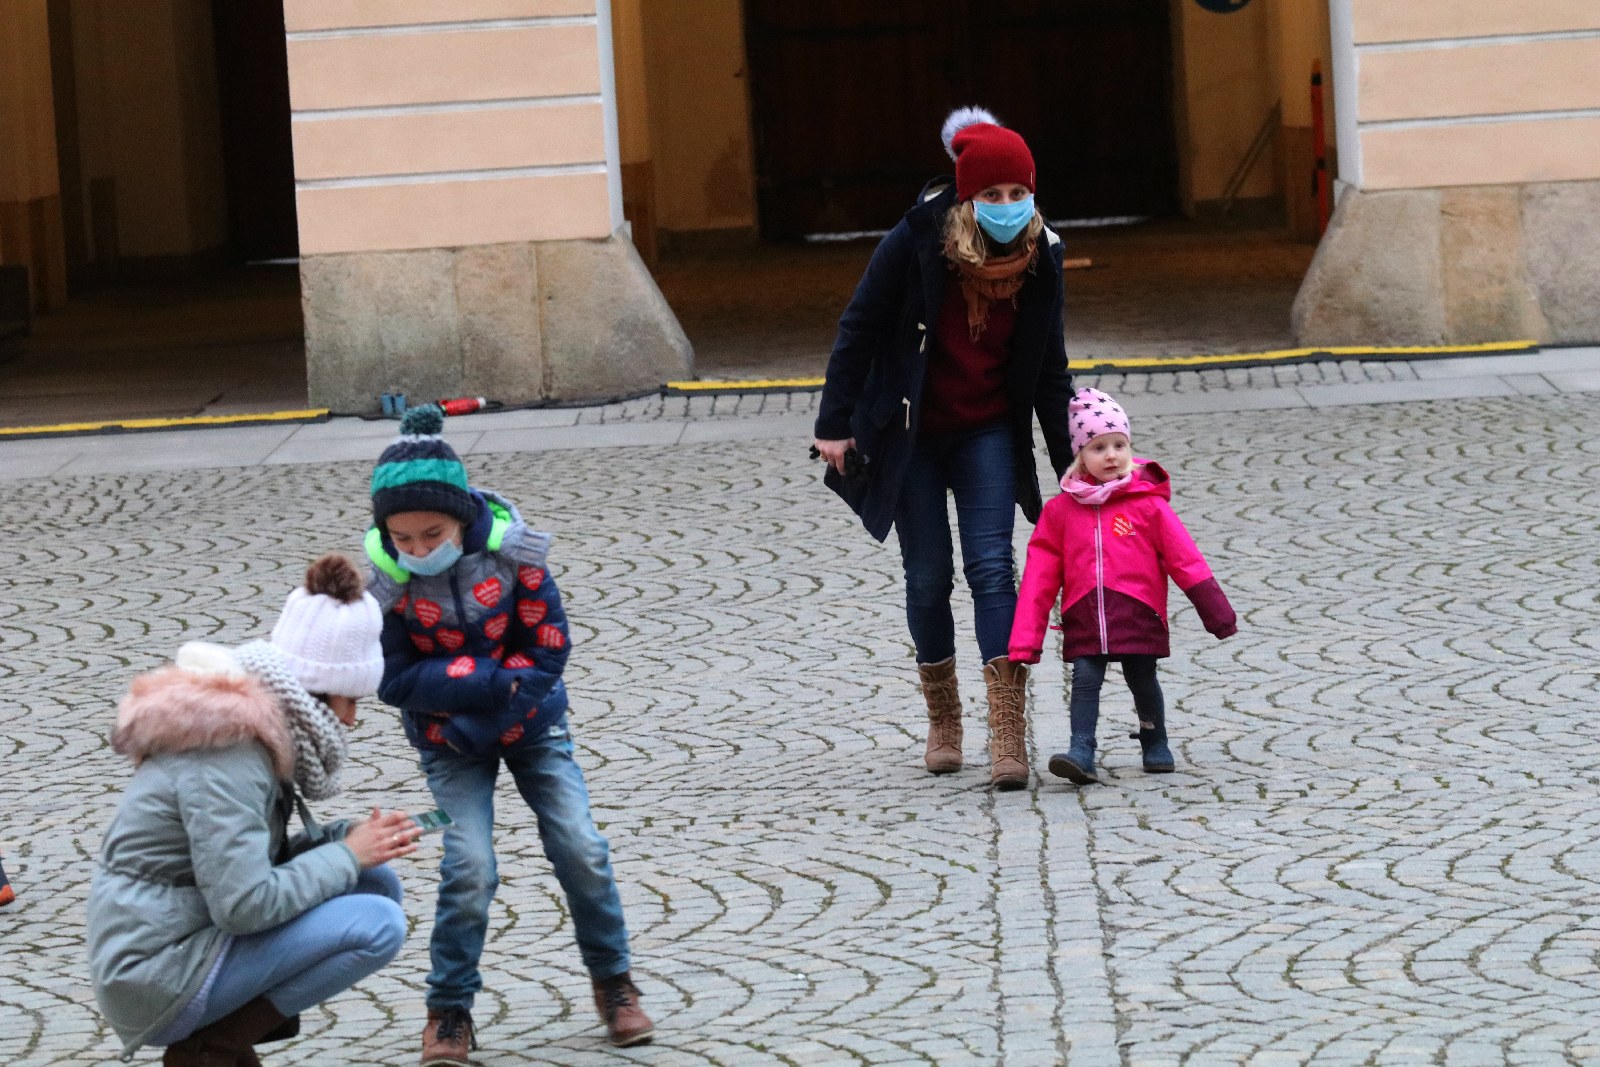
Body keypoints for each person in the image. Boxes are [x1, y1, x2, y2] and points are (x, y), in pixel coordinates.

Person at [363, 404, 653, 1064]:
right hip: (449, 744)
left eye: (430, 532)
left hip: (534, 725)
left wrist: (490, 696)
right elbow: (393, 677)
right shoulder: (388, 587)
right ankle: (448, 1009)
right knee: (468, 866)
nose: (416, 549)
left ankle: (614, 981)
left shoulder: (514, 556)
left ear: (462, 515)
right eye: (401, 537)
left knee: (581, 845)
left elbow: (548, 647)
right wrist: (476, 687)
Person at [812, 106, 1076, 789]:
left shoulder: (1042, 257)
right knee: (928, 574)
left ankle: (1009, 733)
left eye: (1019, 194)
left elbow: (1050, 367)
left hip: (988, 429)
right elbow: (859, 325)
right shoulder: (916, 240)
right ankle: (945, 718)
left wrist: (1068, 454)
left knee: (993, 567)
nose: (1008, 207)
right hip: (913, 434)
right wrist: (835, 421)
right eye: (992, 195)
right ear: (967, 198)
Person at [87, 554, 419, 1066]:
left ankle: (224, 1044)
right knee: (377, 922)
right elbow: (244, 906)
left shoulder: (247, 735)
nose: (352, 721)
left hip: (184, 935)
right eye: (352, 701)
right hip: (154, 968)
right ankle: (212, 1047)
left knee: (377, 885)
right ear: (317, 692)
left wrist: (342, 840)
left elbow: (236, 863)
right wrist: (346, 856)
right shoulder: (229, 755)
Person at [1008, 388, 1238, 783]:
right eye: (1099, 448)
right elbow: (1039, 577)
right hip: (1084, 611)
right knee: (1085, 678)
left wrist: (1216, 612)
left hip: (1137, 608)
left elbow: (1185, 559)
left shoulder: (1149, 506)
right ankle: (1082, 749)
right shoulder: (1060, 513)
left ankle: (1155, 737)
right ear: (1080, 456)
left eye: (1119, 445)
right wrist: (1025, 640)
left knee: (1142, 676)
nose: (1111, 455)